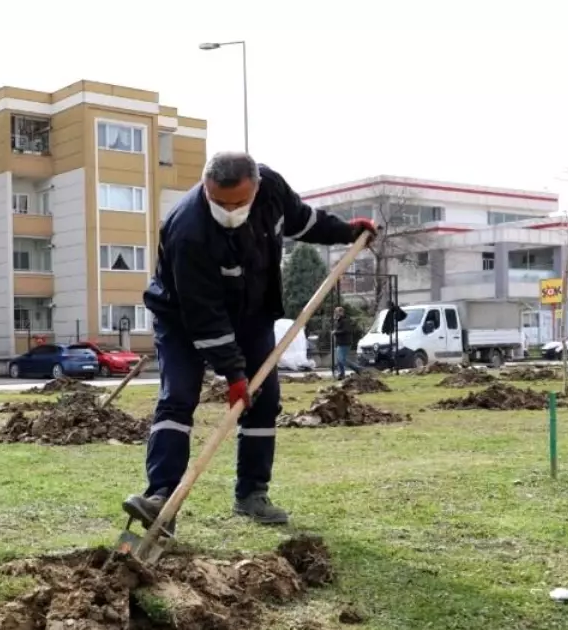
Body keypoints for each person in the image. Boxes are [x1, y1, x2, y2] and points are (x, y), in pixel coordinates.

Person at [122, 152, 377, 531]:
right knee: (177, 397)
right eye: (218, 202)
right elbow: (204, 318)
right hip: (181, 317)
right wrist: (234, 374)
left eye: (238, 202)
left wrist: (345, 231)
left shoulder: (271, 188)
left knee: (264, 400)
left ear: (256, 187)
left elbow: (302, 221)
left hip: (253, 312)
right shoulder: (188, 229)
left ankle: (252, 495)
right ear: (206, 189)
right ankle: (161, 497)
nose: (228, 210)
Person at [332, 305, 354, 379]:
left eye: (337, 312)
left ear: (342, 312)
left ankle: (357, 368)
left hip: (345, 343)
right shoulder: (338, 321)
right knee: (339, 360)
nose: (336, 313)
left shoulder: (345, 320)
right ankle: (342, 374)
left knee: (341, 360)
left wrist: (335, 332)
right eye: (335, 312)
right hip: (340, 343)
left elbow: (346, 330)